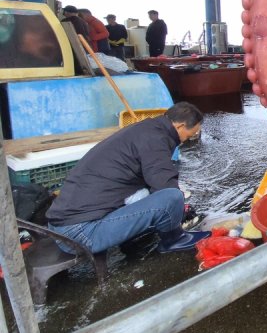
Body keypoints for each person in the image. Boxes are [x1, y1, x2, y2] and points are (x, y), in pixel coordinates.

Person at [46, 102, 210, 254]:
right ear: (180, 125)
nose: (186, 141)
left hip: (63, 227)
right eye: (189, 136)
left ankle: (132, 238)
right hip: (80, 234)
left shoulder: (145, 129)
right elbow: (165, 186)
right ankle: (174, 240)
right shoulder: (156, 140)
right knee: (172, 197)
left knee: (147, 193)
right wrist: (180, 209)